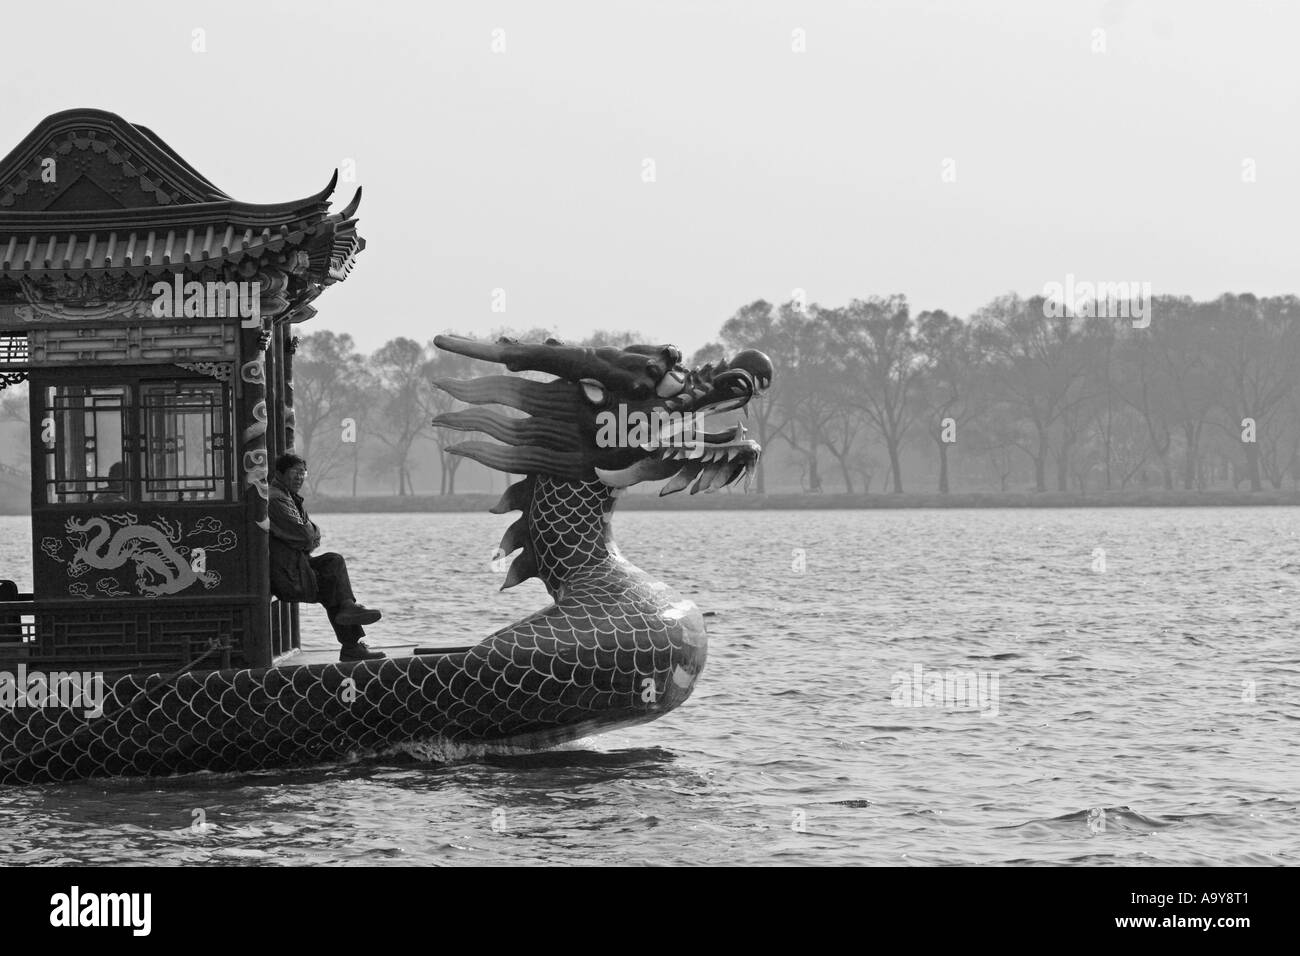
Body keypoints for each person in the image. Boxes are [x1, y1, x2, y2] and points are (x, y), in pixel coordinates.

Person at [268, 453, 386, 661]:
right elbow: (306, 535)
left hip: (296, 566)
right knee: (332, 583)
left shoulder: (289, 497)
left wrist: (308, 537)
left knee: (334, 562)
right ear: (279, 473)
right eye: (295, 473)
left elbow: (312, 536)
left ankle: (348, 613)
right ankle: (350, 641)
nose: (300, 478)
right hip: (287, 575)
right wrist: (308, 537)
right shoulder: (276, 499)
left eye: (303, 473)